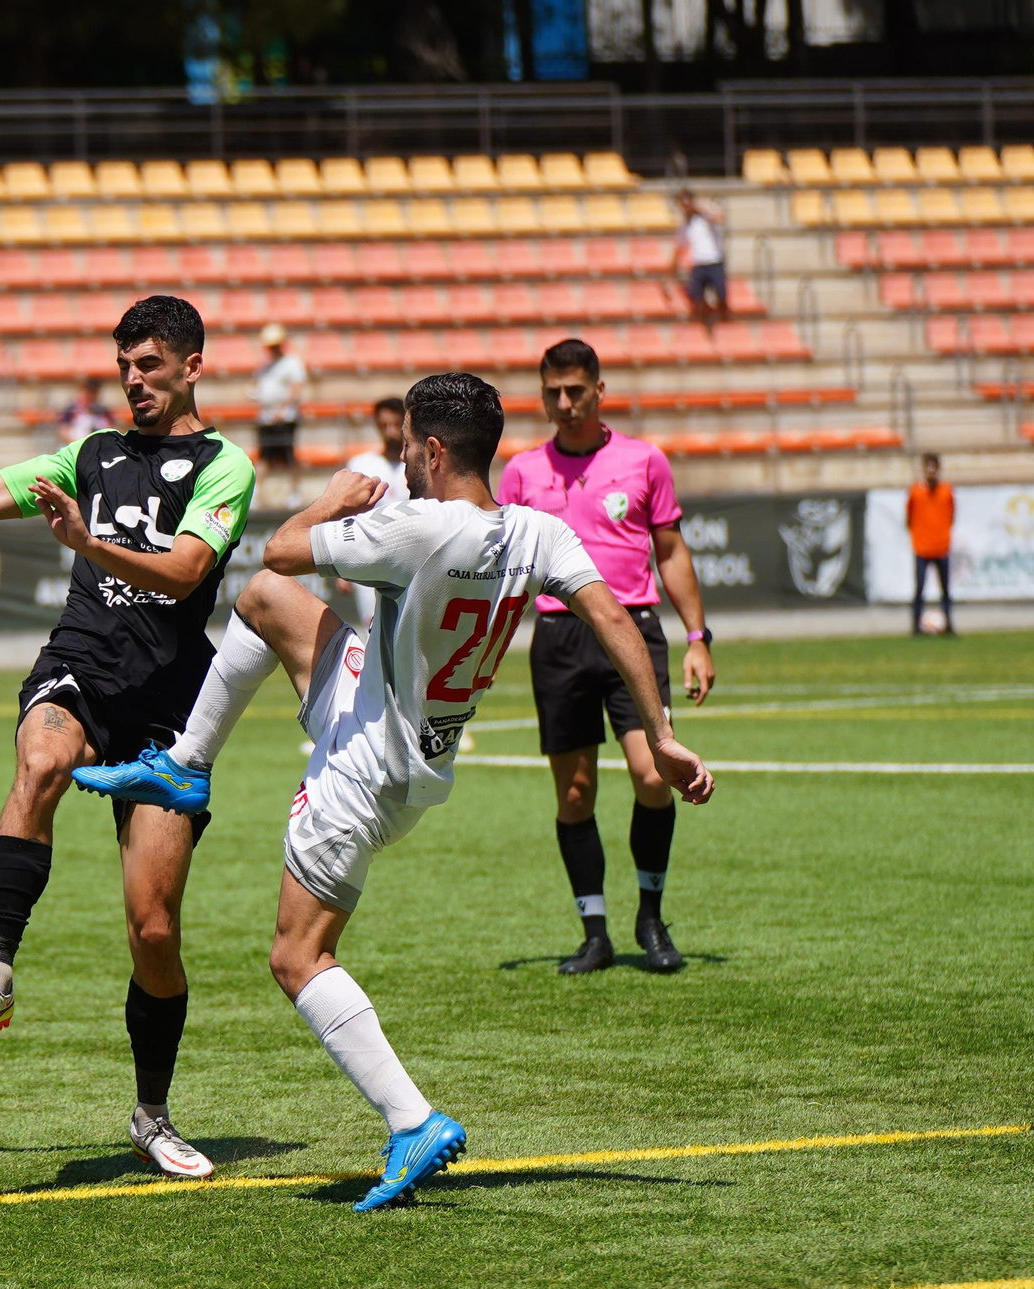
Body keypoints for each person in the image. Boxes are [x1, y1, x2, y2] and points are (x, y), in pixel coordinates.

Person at [72, 373, 714, 1210]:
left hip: (363, 767)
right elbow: (618, 619)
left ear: (436, 451)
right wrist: (659, 731)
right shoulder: (537, 531)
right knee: (267, 606)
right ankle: (185, 765)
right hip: (398, 727)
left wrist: (333, 501)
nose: (402, 456)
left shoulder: (414, 525)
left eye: (410, 443)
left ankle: (409, 1118)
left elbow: (281, 547)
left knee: (296, 956)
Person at [0, 295, 255, 1179]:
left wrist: (89, 540)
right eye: (125, 365)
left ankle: (152, 1113)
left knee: (154, 930)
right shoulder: (88, 455)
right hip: (81, 663)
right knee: (41, 756)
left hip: (169, 701)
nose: (134, 380)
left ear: (192, 366)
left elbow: (187, 573)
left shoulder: (223, 465)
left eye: (151, 364)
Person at [497, 339, 715, 975]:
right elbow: (506, 567)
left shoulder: (644, 460)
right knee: (575, 794)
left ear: (599, 391)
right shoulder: (521, 472)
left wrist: (698, 638)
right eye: (552, 393)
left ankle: (650, 916)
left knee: (653, 775)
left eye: (575, 392)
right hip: (559, 638)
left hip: (634, 630)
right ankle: (594, 932)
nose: (563, 405)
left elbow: (670, 552)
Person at [336, 396, 410, 626]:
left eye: (395, 425)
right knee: (372, 628)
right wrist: (341, 563)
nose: (389, 432)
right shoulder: (361, 465)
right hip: (368, 559)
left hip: (411, 557)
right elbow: (346, 515)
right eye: (383, 425)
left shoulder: (422, 465)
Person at [252, 323, 308, 503]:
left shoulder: (291, 363)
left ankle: (295, 492)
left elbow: (296, 389)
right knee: (264, 457)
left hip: (284, 418)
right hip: (267, 417)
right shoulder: (266, 366)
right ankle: (256, 493)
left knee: (289, 456)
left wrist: (282, 409)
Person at [907, 453, 955, 635]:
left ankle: (949, 625)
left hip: (942, 547)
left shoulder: (947, 491)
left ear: (938, 470)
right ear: (924, 470)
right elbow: (909, 517)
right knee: (919, 589)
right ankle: (915, 627)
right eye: (928, 468)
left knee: (946, 590)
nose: (931, 471)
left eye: (934, 468)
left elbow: (951, 515)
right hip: (922, 548)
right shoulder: (916, 492)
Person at [673, 191, 729, 331]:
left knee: (721, 296)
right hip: (699, 264)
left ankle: (724, 325)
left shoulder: (706, 219)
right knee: (697, 299)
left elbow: (720, 218)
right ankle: (703, 328)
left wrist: (701, 208)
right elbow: (679, 247)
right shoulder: (686, 226)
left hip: (714, 261)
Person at [57, 377, 115, 443]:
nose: (90, 395)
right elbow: (63, 431)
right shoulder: (71, 410)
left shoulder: (103, 411)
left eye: (93, 392)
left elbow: (110, 429)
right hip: (76, 445)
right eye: (88, 391)